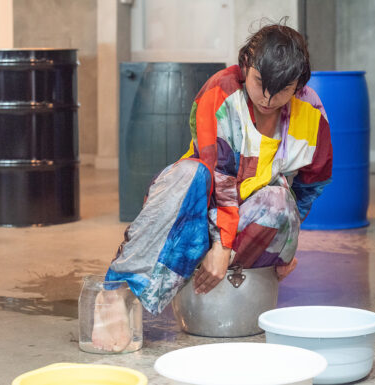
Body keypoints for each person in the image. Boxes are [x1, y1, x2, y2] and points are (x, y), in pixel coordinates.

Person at [92, 21, 332, 352]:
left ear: (299, 84)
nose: (267, 97)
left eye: (282, 89)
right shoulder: (220, 91)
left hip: (244, 223)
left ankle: (218, 274)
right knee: (190, 174)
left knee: (279, 201)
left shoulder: (311, 112)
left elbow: (312, 182)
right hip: (196, 213)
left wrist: (289, 238)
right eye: (261, 83)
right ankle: (118, 292)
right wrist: (220, 243)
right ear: (247, 63)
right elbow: (218, 173)